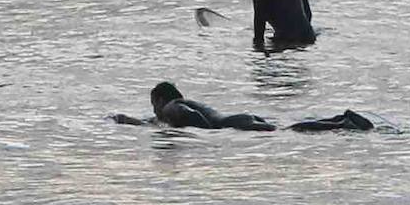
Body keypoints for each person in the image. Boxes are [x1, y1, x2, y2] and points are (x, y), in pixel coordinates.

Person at [111, 82, 373, 132]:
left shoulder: (171, 107)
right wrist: (131, 121)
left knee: (286, 131)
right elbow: (154, 122)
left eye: (152, 104)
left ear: (159, 99)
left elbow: (188, 117)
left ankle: (342, 122)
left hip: (232, 124)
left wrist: (210, 132)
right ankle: (339, 120)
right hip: (238, 119)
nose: (154, 110)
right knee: (285, 129)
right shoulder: (175, 106)